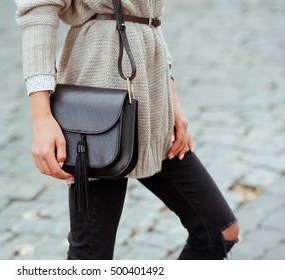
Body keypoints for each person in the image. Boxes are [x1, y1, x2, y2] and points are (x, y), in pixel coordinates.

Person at [14, 0, 239, 260]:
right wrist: (41, 116)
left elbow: (150, 18)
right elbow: (38, 9)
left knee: (221, 231)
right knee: (90, 257)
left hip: (151, 97)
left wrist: (172, 100)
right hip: (96, 96)